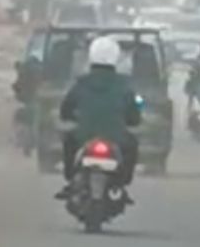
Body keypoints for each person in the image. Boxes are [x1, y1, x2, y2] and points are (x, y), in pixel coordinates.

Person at [55, 36, 144, 201]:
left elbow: (66, 107)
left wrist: (69, 117)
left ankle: (71, 179)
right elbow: (134, 115)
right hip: (117, 137)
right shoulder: (124, 86)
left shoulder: (81, 83)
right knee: (132, 145)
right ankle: (121, 181)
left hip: (83, 135)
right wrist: (132, 121)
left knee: (68, 142)